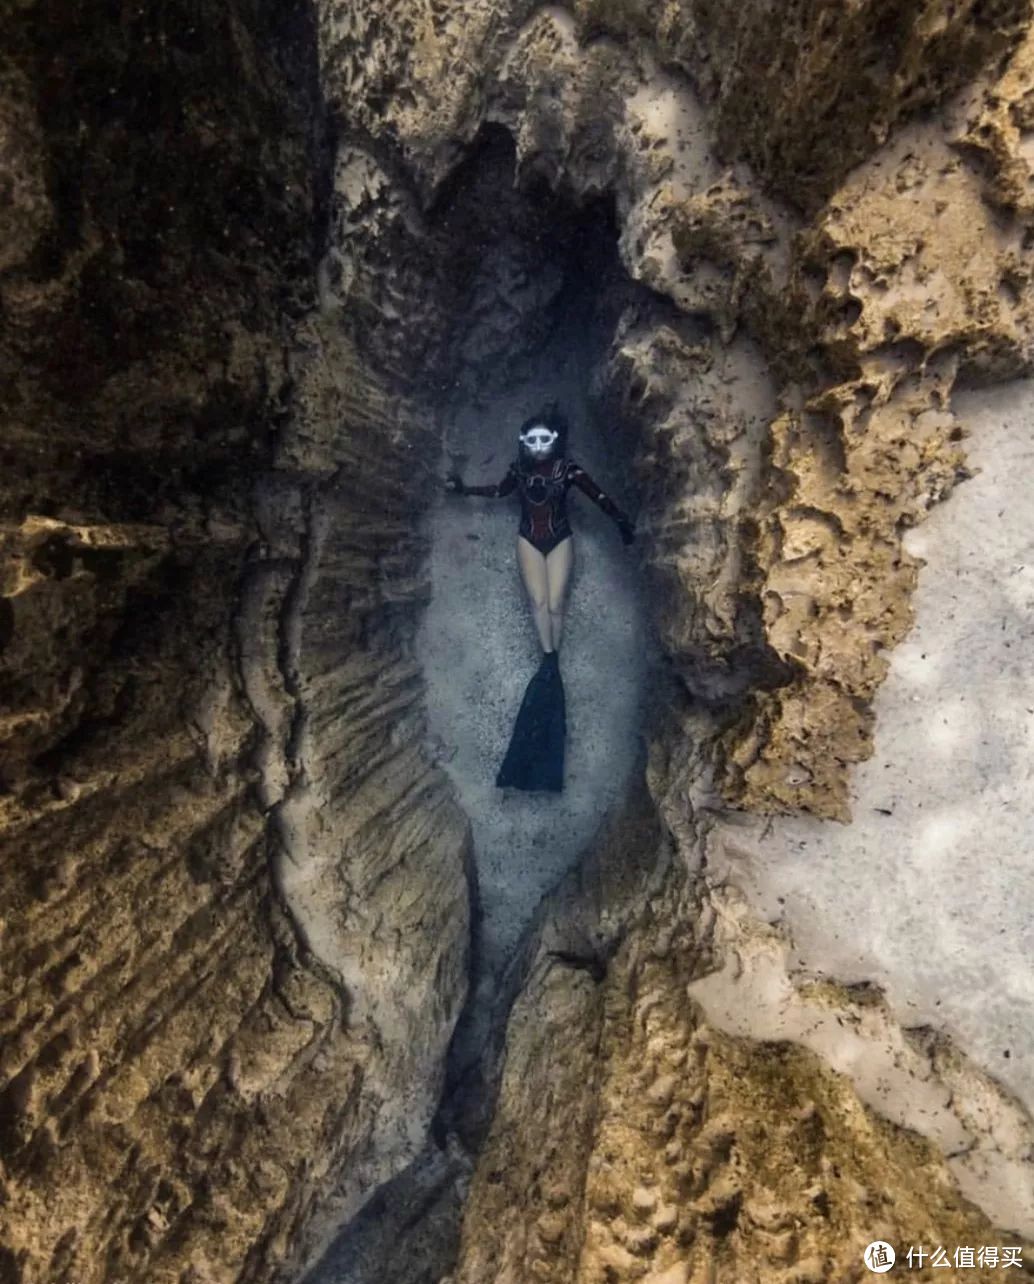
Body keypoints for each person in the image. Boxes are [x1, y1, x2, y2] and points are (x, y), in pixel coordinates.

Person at [444, 407, 635, 792]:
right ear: (522, 443)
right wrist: (464, 489)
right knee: (538, 604)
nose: (537, 448)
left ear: (556, 441)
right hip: (528, 539)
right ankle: (549, 659)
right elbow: (500, 491)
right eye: (530, 441)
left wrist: (620, 521)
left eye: (544, 440)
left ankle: (552, 661)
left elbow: (598, 496)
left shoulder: (569, 470)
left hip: (560, 539)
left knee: (555, 603)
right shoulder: (518, 469)